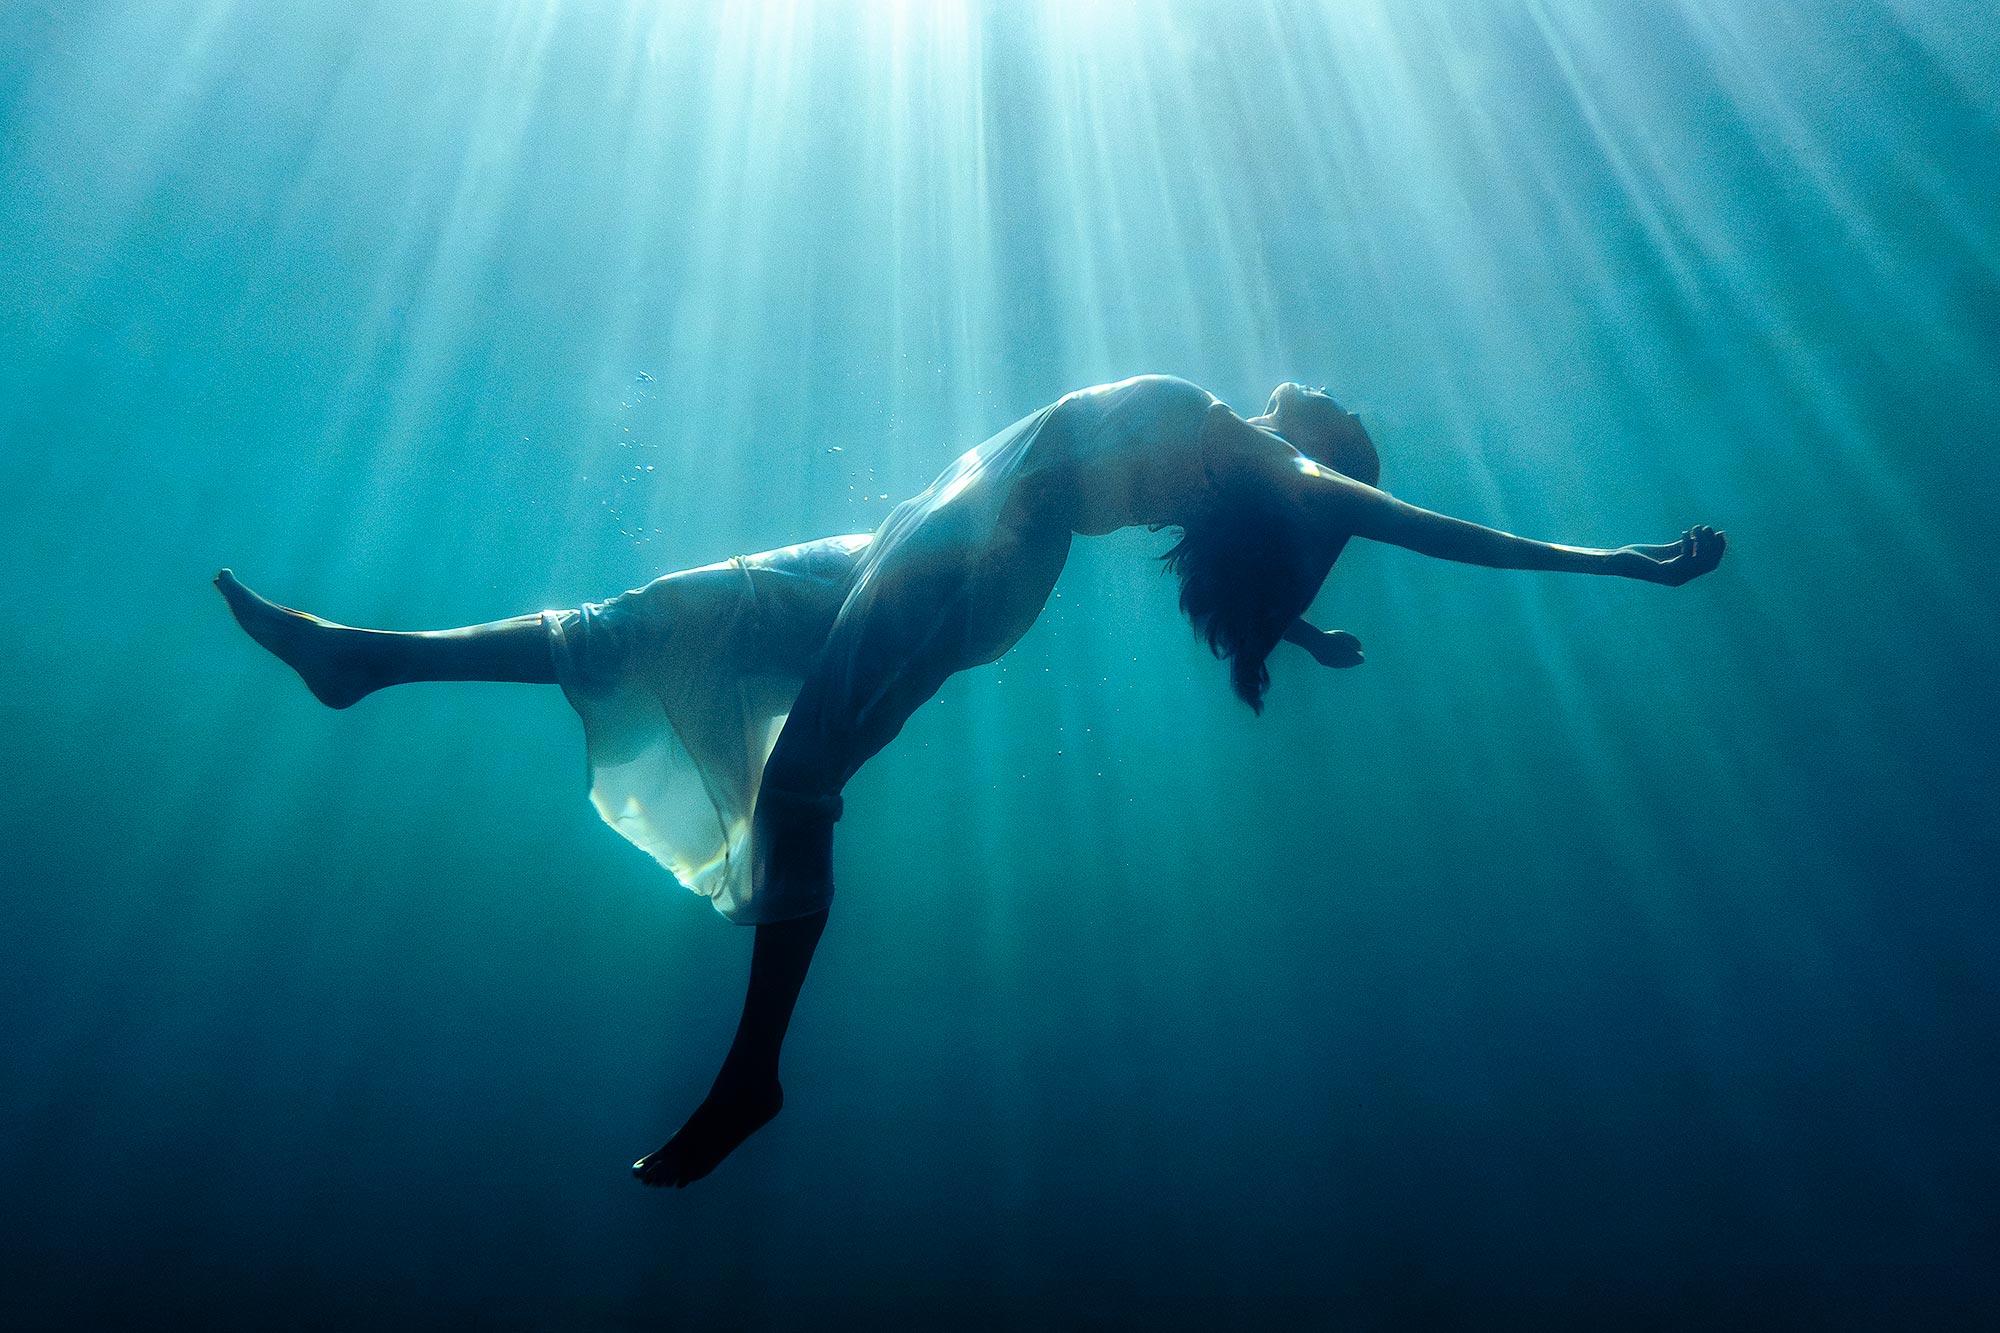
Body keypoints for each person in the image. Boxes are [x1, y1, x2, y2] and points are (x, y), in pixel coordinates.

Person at [215, 375, 1725, 1187]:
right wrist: (1302, 621)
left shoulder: (1277, 463)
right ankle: (367, 655)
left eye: (1331, 414)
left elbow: (1435, 529)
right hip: (917, 529)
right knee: (655, 616)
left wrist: (1620, 559)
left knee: (800, 784)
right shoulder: (1225, 448)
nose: (1319, 387)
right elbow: (1275, 557)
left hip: (972, 566)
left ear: (1320, 441)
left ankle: (753, 1074)